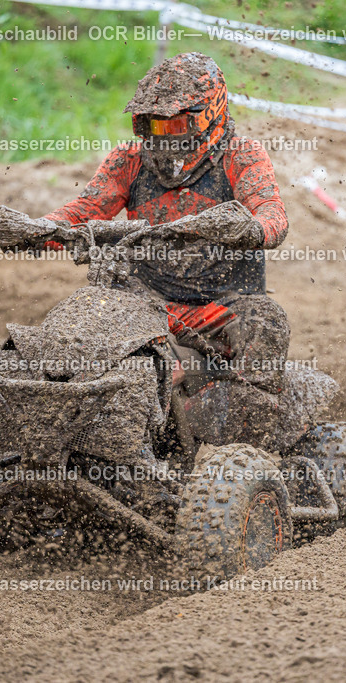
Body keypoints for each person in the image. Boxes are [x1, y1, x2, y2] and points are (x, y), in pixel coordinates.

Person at [42, 52, 291, 446]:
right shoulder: (130, 159)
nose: (166, 134)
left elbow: (272, 213)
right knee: (74, 325)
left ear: (210, 113)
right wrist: (39, 228)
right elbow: (85, 210)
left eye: (176, 122)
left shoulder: (241, 155)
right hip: (145, 299)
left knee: (266, 324)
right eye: (156, 123)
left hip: (221, 305)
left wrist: (252, 227)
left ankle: (247, 453)